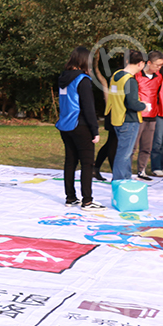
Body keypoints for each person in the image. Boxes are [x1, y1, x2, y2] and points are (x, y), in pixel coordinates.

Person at [56, 47, 105, 211]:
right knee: (87, 163)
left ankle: (70, 197)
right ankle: (87, 201)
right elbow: (88, 107)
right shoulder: (82, 79)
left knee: (70, 161)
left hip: (65, 125)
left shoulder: (63, 78)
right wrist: (95, 130)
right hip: (80, 125)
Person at [106, 50, 150, 182]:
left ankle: (123, 179)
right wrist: (145, 106)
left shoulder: (115, 76)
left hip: (116, 117)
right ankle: (121, 181)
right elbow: (132, 103)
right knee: (125, 154)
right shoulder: (130, 80)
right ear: (141, 63)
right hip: (128, 120)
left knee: (123, 151)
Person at [133, 51, 163, 180]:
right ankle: (126, 171)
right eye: (157, 65)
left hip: (152, 116)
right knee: (133, 146)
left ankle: (142, 170)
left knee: (147, 146)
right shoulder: (136, 76)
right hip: (138, 115)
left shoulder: (159, 77)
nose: (159, 68)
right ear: (149, 63)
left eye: (161, 65)